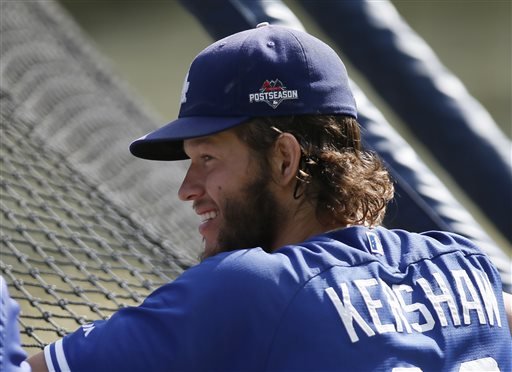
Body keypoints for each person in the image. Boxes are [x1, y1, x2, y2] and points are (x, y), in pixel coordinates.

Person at [28, 23, 511, 372]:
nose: (187, 189)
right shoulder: (467, 266)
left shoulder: (248, 289)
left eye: (208, 159)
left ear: (284, 159)